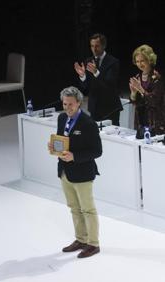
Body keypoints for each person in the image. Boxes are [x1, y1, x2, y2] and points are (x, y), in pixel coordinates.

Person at [48, 86, 102, 258]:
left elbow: (97, 151)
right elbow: (61, 140)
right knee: (74, 208)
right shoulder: (62, 117)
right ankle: (81, 239)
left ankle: (93, 244)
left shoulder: (88, 123)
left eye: (71, 104)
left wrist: (75, 156)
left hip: (83, 172)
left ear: (79, 103)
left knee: (88, 209)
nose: (67, 107)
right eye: (65, 104)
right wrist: (54, 147)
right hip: (65, 171)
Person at [74, 33, 122, 125]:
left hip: (110, 108)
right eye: (92, 46)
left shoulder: (113, 62)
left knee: (110, 137)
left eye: (97, 46)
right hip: (94, 107)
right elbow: (86, 89)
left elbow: (110, 84)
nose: (94, 49)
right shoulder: (88, 61)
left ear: (104, 46)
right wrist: (82, 76)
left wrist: (96, 73)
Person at [129, 44, 165, 136]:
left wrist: (141, 89)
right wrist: (133, 93)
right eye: (137, 61)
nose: (140, 64)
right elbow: (134, 102)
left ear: (150, 60)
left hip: (154, 122)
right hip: (140, 121)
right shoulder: (138, 77)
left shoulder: (157, 77)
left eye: (142, 61)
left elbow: (154, 101)